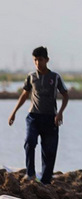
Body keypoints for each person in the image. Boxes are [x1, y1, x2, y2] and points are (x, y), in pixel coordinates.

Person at [8, 46, 69, 185]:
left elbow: (65, 95)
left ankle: (46, 182)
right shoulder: (31, 77)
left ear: (47, 60)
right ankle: (30, 174)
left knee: (49, 151)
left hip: (51, 118)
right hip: (34, 117)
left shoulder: (55, 77)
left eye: (40, 60)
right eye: (35, 60)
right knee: (30, 142)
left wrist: (60, 113)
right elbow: (24, 95)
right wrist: (14, 112)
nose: (37, 63)